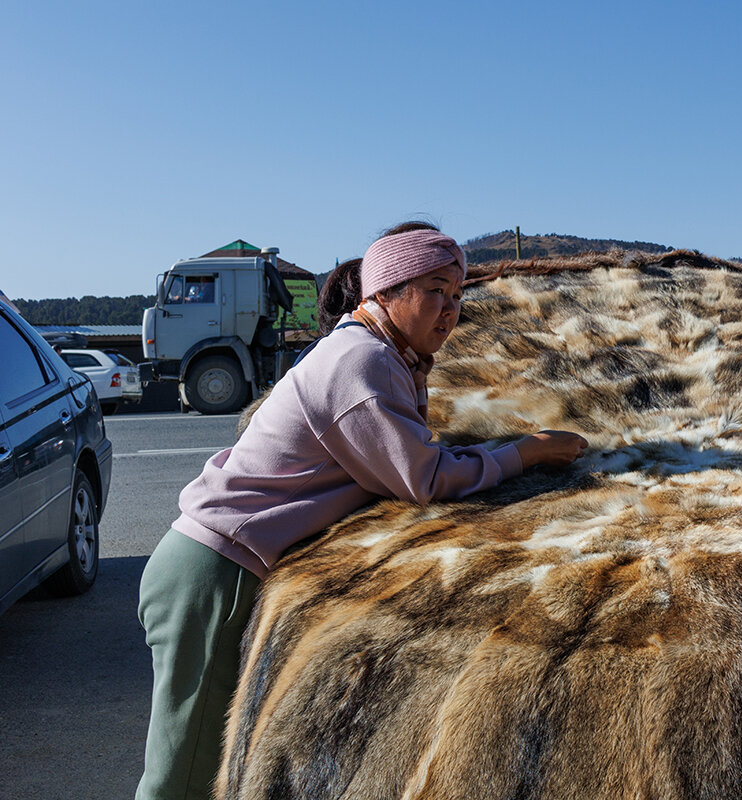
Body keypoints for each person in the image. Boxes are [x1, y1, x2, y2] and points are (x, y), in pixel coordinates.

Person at [136, 223, 587, 800]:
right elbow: (423, 477)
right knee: (182, 776)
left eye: (456, 296)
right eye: (433, 291)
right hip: (212, 575)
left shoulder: (380, 354)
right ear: (385, 292)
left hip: (217, 566)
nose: (449, 311)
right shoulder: (361, 363)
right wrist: (524, 453)